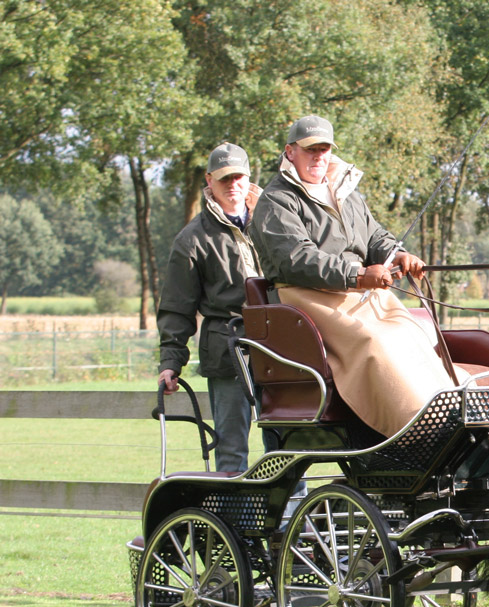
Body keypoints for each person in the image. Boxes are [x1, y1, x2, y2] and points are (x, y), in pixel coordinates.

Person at [249, 115, 464, 437]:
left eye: (323, 149)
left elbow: (374, 235)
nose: (318, 157)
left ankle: (448, 411)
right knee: (375, 341)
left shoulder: (346, 192)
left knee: (411, 332)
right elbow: (297, 258)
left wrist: (398, 256)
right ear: (290, 152)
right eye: (310, 150)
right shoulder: (277, 200)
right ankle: (415, 429)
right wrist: (357, 274)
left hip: (361, 292)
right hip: (308, 296)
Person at [157, 142, 262, 473]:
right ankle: (233, 524)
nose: (233, 185)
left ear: (249, 178)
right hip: (227, 352)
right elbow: (177, 307)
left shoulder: (274, 223)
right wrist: (171, 361)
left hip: (280, 347)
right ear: (209, 181)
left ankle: (291, 523)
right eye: (224, 178)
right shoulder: (192, 239)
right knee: (231, 450)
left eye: (239, 177)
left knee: (290, 445)